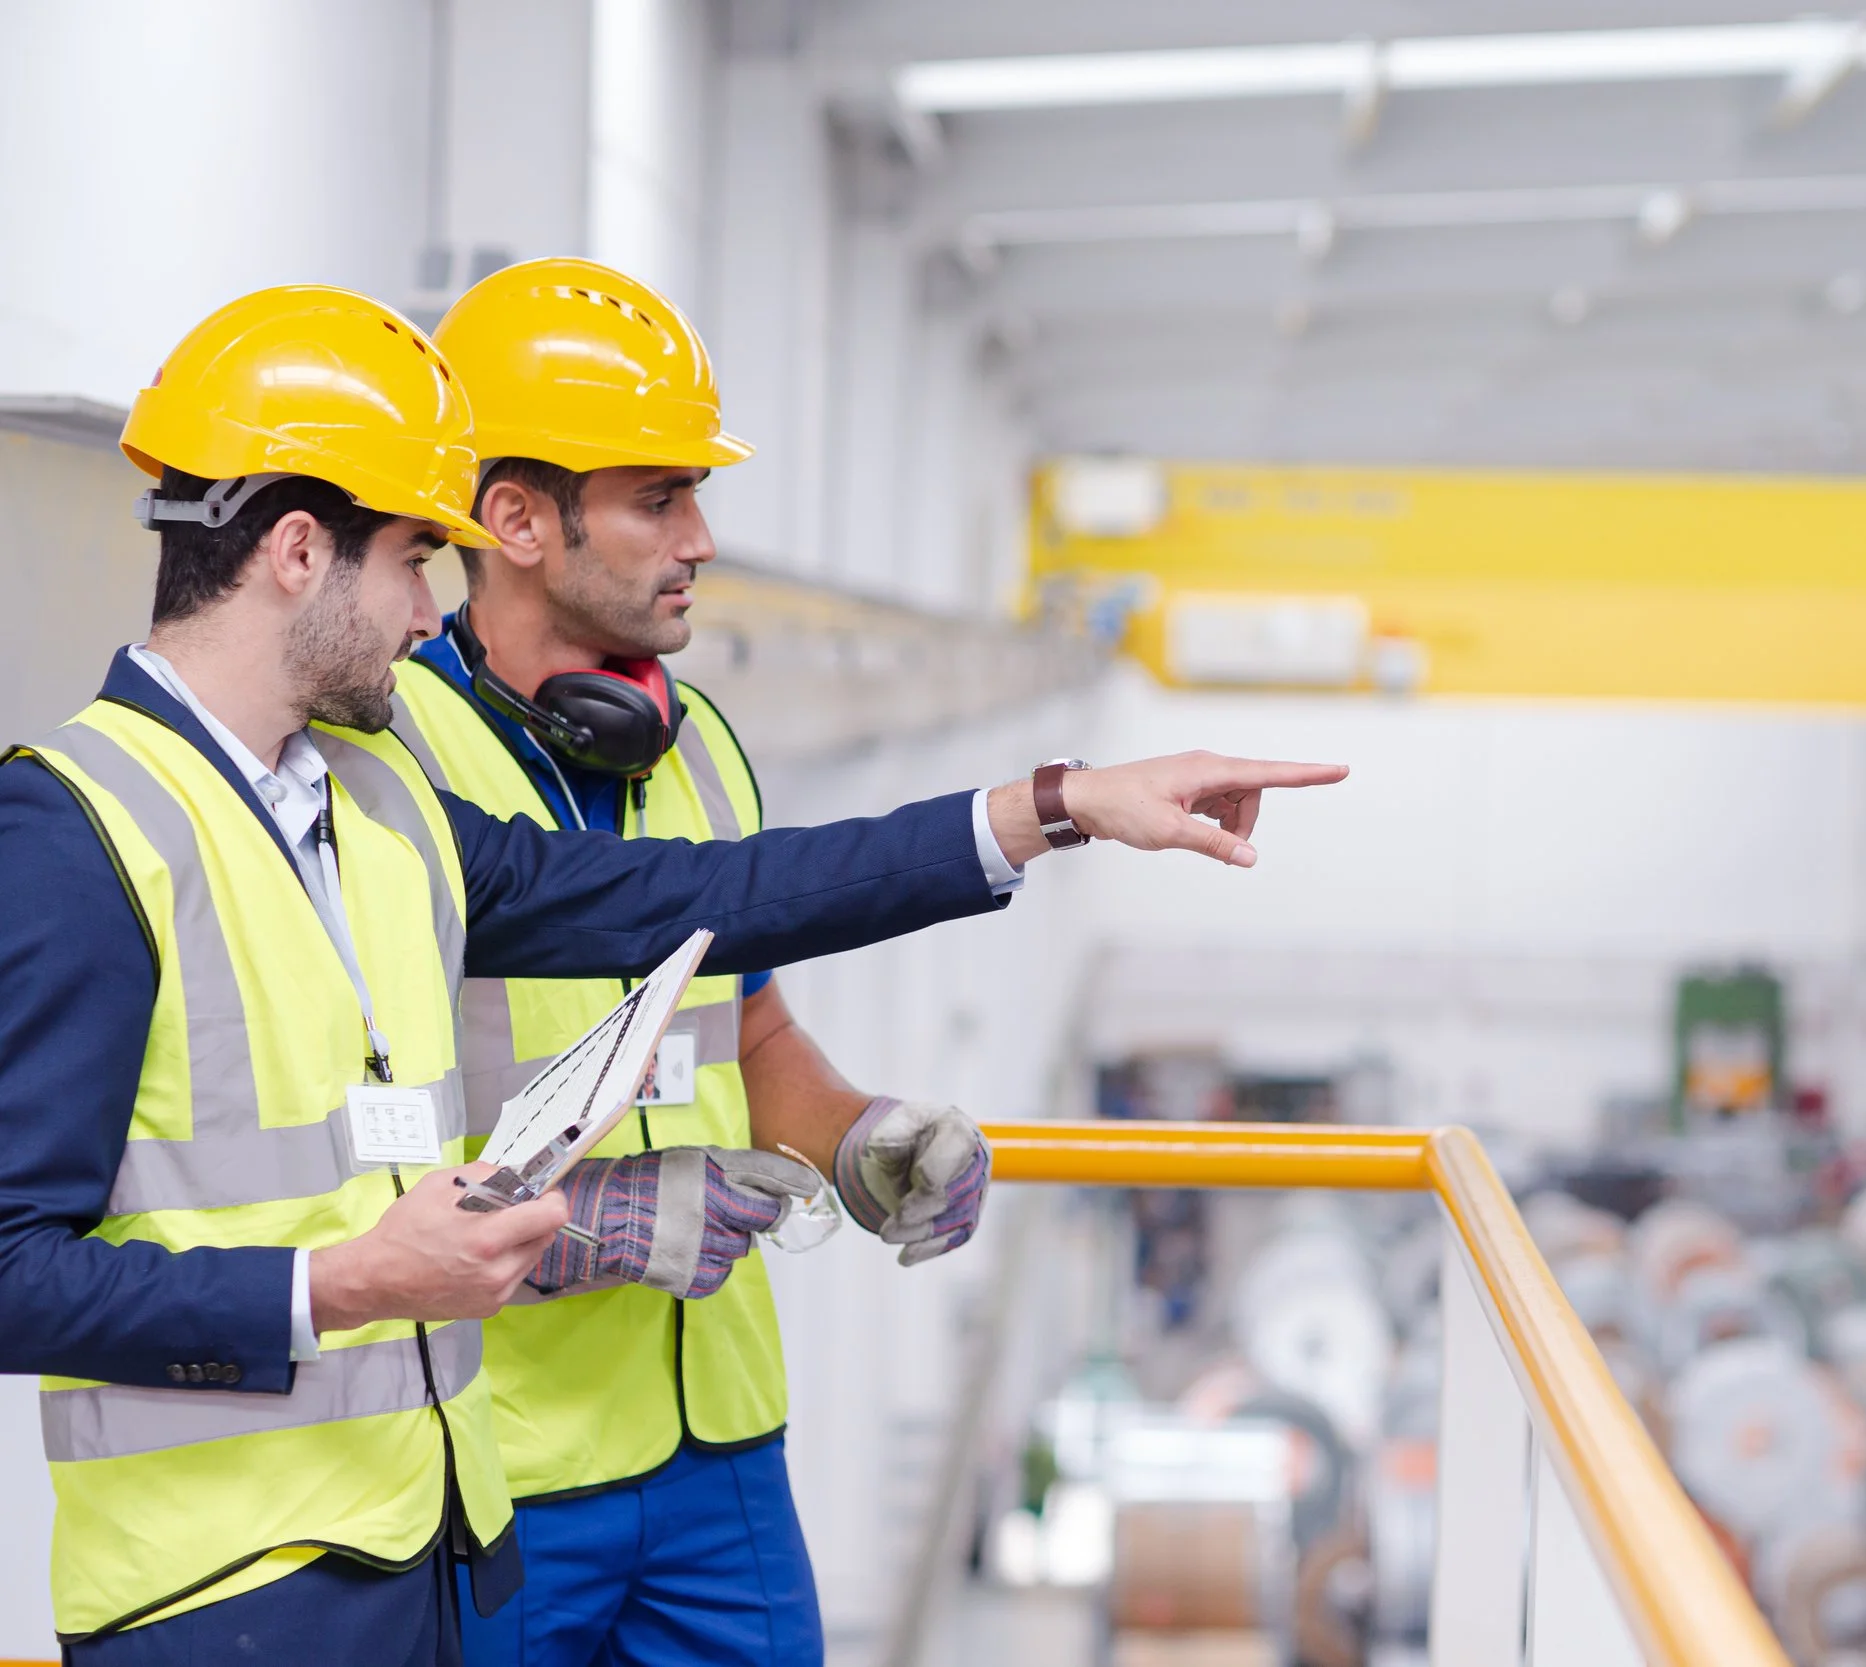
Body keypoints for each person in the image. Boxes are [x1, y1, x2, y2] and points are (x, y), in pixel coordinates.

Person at [0, 284, 1346, 1666]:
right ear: (297, 551)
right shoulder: (80, 828)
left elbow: (712, 901)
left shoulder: (372, 814)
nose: (423, 609)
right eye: (414, 557)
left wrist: (1056, 803)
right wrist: (349, 1280)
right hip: (222, 1591)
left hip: (421, 1536)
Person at [402, 255, 1016, 1664]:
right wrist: (575, 1227)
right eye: (657, 496)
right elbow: (337, 1132)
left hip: (719, 1454)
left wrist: (863, 1136)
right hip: (501, 1458)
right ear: (515, 519)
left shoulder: (704, 747)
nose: (703, 536)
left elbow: (753, 1038)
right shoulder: (397, 775)